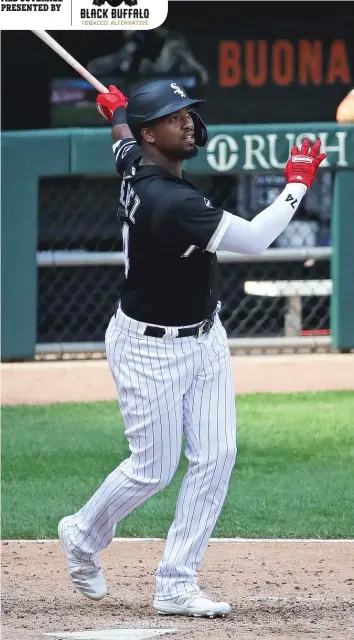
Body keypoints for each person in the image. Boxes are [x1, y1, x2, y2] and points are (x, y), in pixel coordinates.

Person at [58, 80, 326, 618]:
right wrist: (296, 184)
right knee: (151, 470)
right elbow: (253, 239)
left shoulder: (136, 156)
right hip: (148, 349)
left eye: (188, 113)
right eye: (174, 117)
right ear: (151, 132)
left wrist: (116, 113)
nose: (188, 122)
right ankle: (83, 533)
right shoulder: (167, 198)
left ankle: (176, 582)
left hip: (205, 335)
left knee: (217, 454)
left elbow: (122, 140)